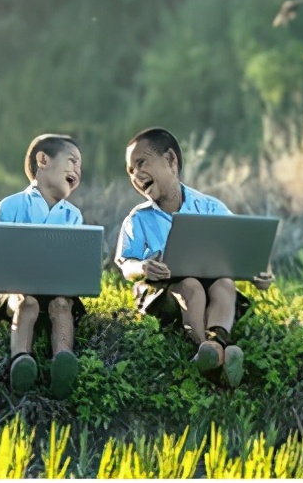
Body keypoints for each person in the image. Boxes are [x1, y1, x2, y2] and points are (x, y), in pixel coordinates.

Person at [114, 127, 274, 389]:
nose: (136, 175)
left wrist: (260, 272)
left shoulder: (209, 206)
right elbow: (125, 265)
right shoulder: (138, 218)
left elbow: (244, 243)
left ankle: (216, 344)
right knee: (191, 285)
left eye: (141, 163)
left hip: (208, 286)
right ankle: (204, 349)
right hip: (162, 293)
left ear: (170, 161)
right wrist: (143, 267)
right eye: (130, 171)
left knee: (224, 283)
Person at [0, 133, 86, 399]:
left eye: (80, 166)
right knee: (28, 303)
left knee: (62, 304)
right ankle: (21, 362)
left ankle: (63, 359)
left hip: (56, 288)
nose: (77, 170)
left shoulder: (73, 215)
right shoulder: (12, 205)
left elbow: (75, 260)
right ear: (43, 160)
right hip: (17, 287)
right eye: (72, 161)